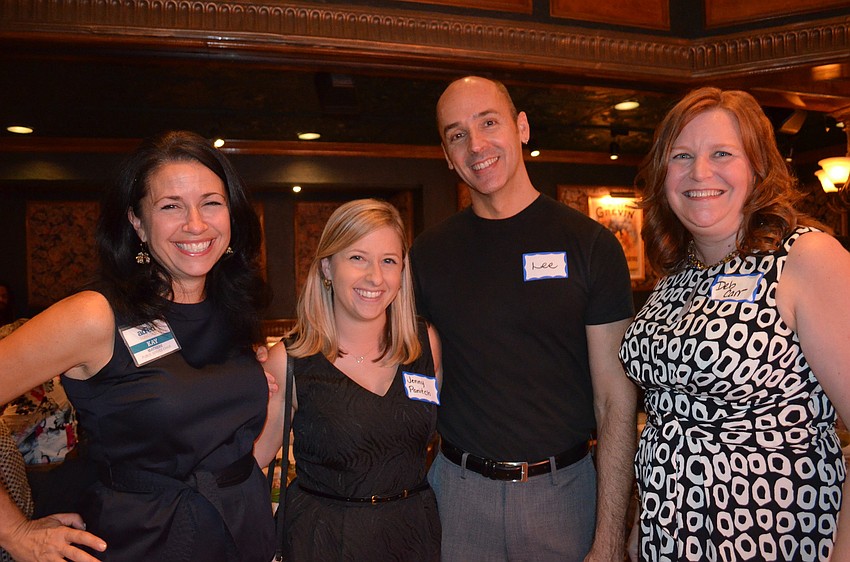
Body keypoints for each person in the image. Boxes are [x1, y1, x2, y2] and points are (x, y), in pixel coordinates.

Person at [0, 130, 277, 561]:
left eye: (211, 203)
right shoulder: (95, 315)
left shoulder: (233, 309)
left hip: (241, 535)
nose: (196, 224)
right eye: (171, 206)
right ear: (137, 223)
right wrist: (14, 531)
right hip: (144, 541)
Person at [410, 75, 637, 561]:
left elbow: (615, 401)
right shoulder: (427, 254)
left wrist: (609, 538)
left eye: (488, 123)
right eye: (457, 135)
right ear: (447, 155)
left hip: (565, 496)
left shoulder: (591, 245)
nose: (476, 145)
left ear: (522, 128)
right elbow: (408, 370)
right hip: (458, 498)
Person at [618, 86, 850, 561]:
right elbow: (669, 417)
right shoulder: (677, 274)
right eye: (682, 156)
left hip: (771, 537)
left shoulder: (806, 257)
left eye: (722, 153)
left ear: (758, 167)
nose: (700, 172)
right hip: (669, 540)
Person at [259, 198, 443, 561]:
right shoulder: (290, 360)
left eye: (388, 261)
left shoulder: (426, 346)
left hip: (413, 535)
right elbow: (248, 463)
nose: (375, 277)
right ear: (327, 266)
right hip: (324, 541)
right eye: (358, 258)